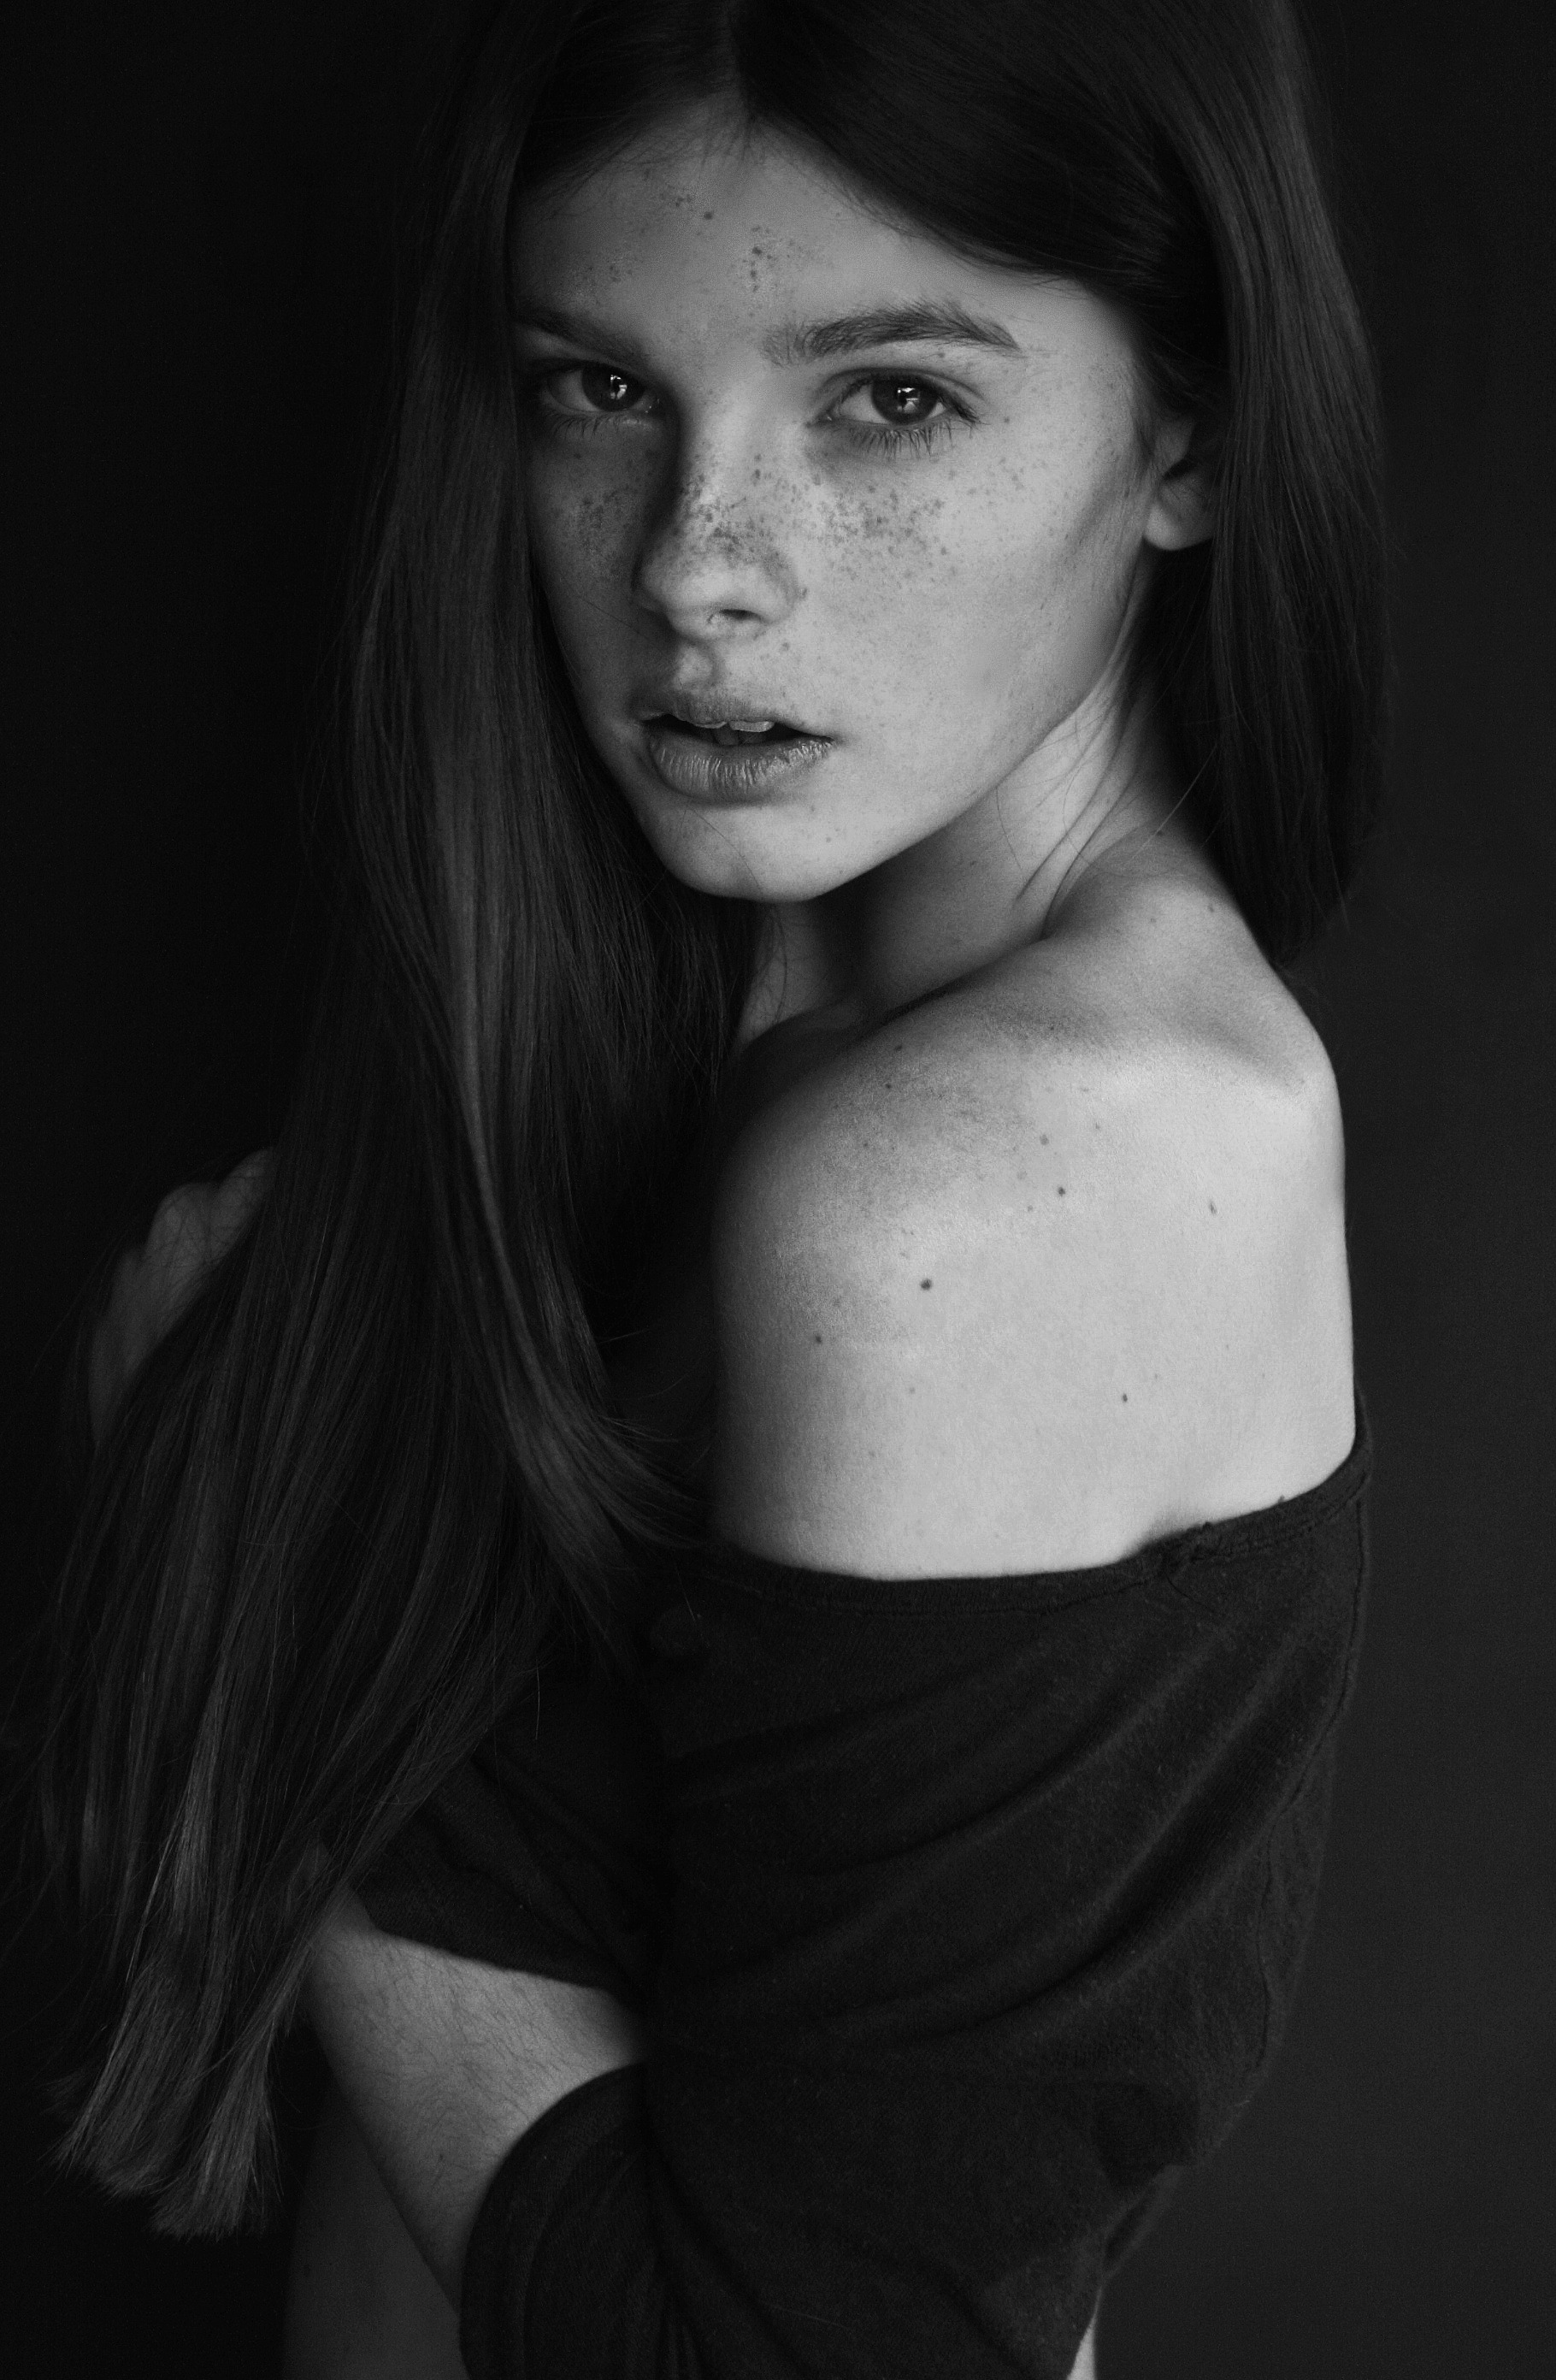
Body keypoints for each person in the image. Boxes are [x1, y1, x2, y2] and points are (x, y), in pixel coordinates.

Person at [32, 2, 1386, 2374]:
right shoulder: (732, 1010)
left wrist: (230, 1569)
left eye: (891, 401)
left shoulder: (983, 1179)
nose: (694, 568)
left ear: (1185, 429)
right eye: (601, 388)